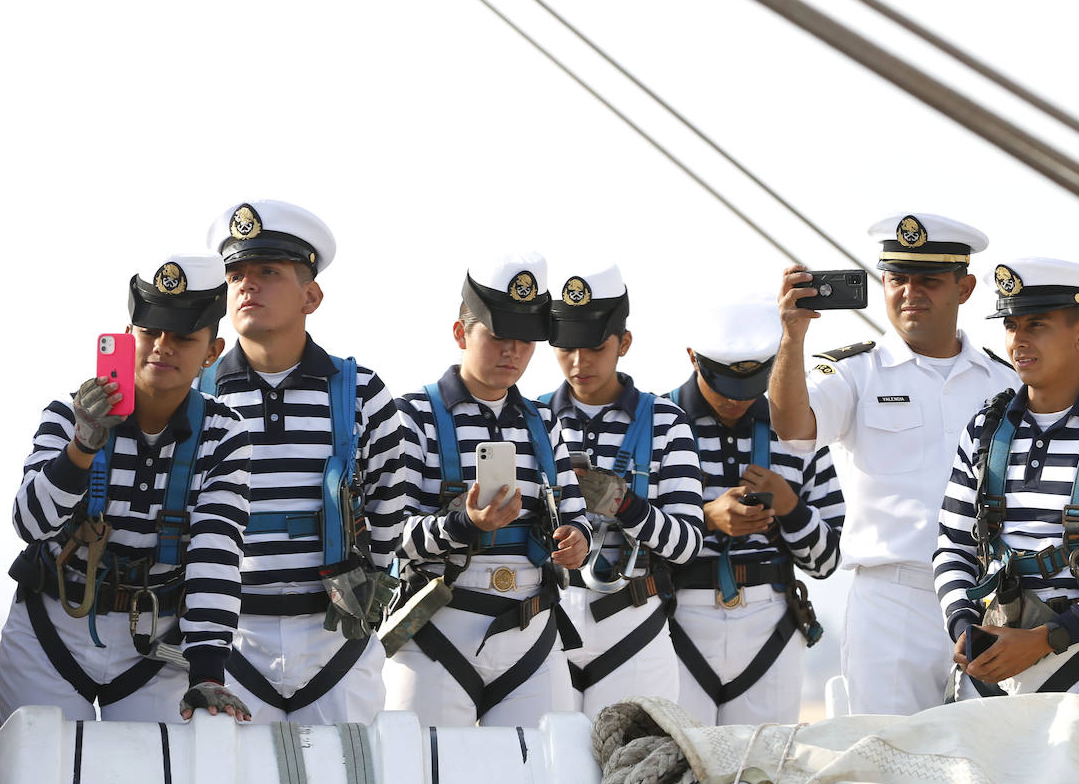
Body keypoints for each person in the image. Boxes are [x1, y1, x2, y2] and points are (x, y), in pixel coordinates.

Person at [771, 213, 1018, 716]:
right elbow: (792, 426)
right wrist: (791, 338)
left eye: (928, 280)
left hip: (989, 601)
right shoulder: (853, 372)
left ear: (964, 288)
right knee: (890, 766)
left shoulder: (1005, 382)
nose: (910, 292)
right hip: (892, 601)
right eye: (897, 278)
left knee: (989, 763)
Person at [0, 253, 252, 722]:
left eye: (181, 337)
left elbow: (217, 553)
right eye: (149, 331)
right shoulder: (68, 412)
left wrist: (208, 673)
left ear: (212, 353)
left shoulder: (225, 434)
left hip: (155, 647)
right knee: (36, 783)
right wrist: (81, 448)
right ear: (128, 333)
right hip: (53, 627)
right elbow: (29, 523)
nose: (161, 347)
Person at [201, 199, 407, 724]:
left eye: (268, 272)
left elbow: (388, 512)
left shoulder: (364, 393)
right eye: (237, 274)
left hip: (334, 639)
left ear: (311, 296)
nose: (248, 285)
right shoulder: (194, 398)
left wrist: (358, 597)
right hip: (227, 642)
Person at [933, 258, 1079, 702]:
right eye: (1011, 326)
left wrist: (1047, 639)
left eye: (1036, 325)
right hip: (986, 674)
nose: (1018, 341)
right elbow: (952, 546)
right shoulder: (984, 430)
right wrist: (962, 622)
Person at [383, 253, 591, 726]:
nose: (512, 352)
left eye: (524, 341)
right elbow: (388, 534)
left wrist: (578, 541)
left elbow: (577, 515)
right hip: (435, 634)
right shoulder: (409, 416)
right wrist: (465, 525)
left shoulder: (545, 422)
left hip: (532, 634)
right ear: (461, 333)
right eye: (497, 336)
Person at [667, 297, 843, 726]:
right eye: (724, 383)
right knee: (675, 772)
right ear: (693, 358)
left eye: (750, 384)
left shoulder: (798, 432)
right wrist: (706, 518)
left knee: (762, 776)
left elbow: (827, 562)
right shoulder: (657, 423)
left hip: (772, 626)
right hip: (673, 621)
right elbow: (628, 541)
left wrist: (790, 507)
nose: (736, 400)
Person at [540, 260, 704, 717]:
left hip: (633, 621)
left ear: (624, 343)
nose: (578, 362)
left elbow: (688, 544)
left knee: (634, 771)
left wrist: (624, 504)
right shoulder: (533, 418)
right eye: (565, 348)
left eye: (593, 347)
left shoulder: (668, 422)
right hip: (546, 620)